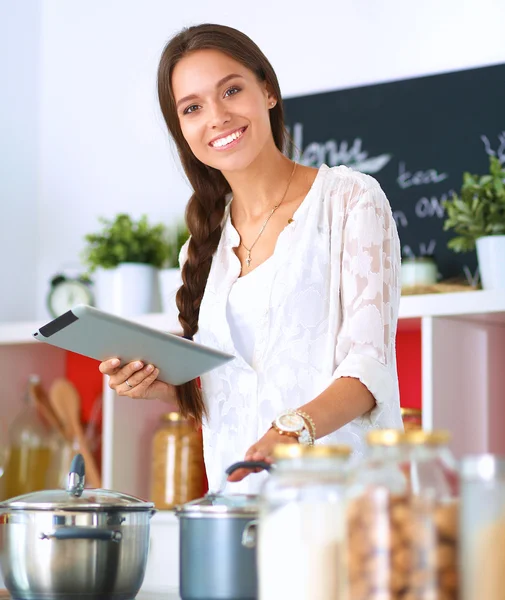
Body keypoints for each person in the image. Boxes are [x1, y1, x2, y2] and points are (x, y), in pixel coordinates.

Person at [99, 23, 403, 494]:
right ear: (182, 129)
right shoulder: (204, 244)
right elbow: (236, 389)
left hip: (345, 506)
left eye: (232, 90)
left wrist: (291, 429)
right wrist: (166, 386)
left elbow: (368, 368)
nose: (217, 117)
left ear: (268, 91)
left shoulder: (349, 200)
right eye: (193, 108)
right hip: (238, 508)